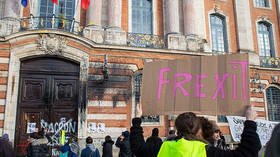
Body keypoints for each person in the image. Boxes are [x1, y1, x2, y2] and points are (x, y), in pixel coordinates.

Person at [130, 104, 261, 157]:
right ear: (198, 129)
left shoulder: (163, 147)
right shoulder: (206, 151)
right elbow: (247, 154)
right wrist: (249, 121)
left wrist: (137, 119)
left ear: (177, 129)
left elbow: (137, 147)